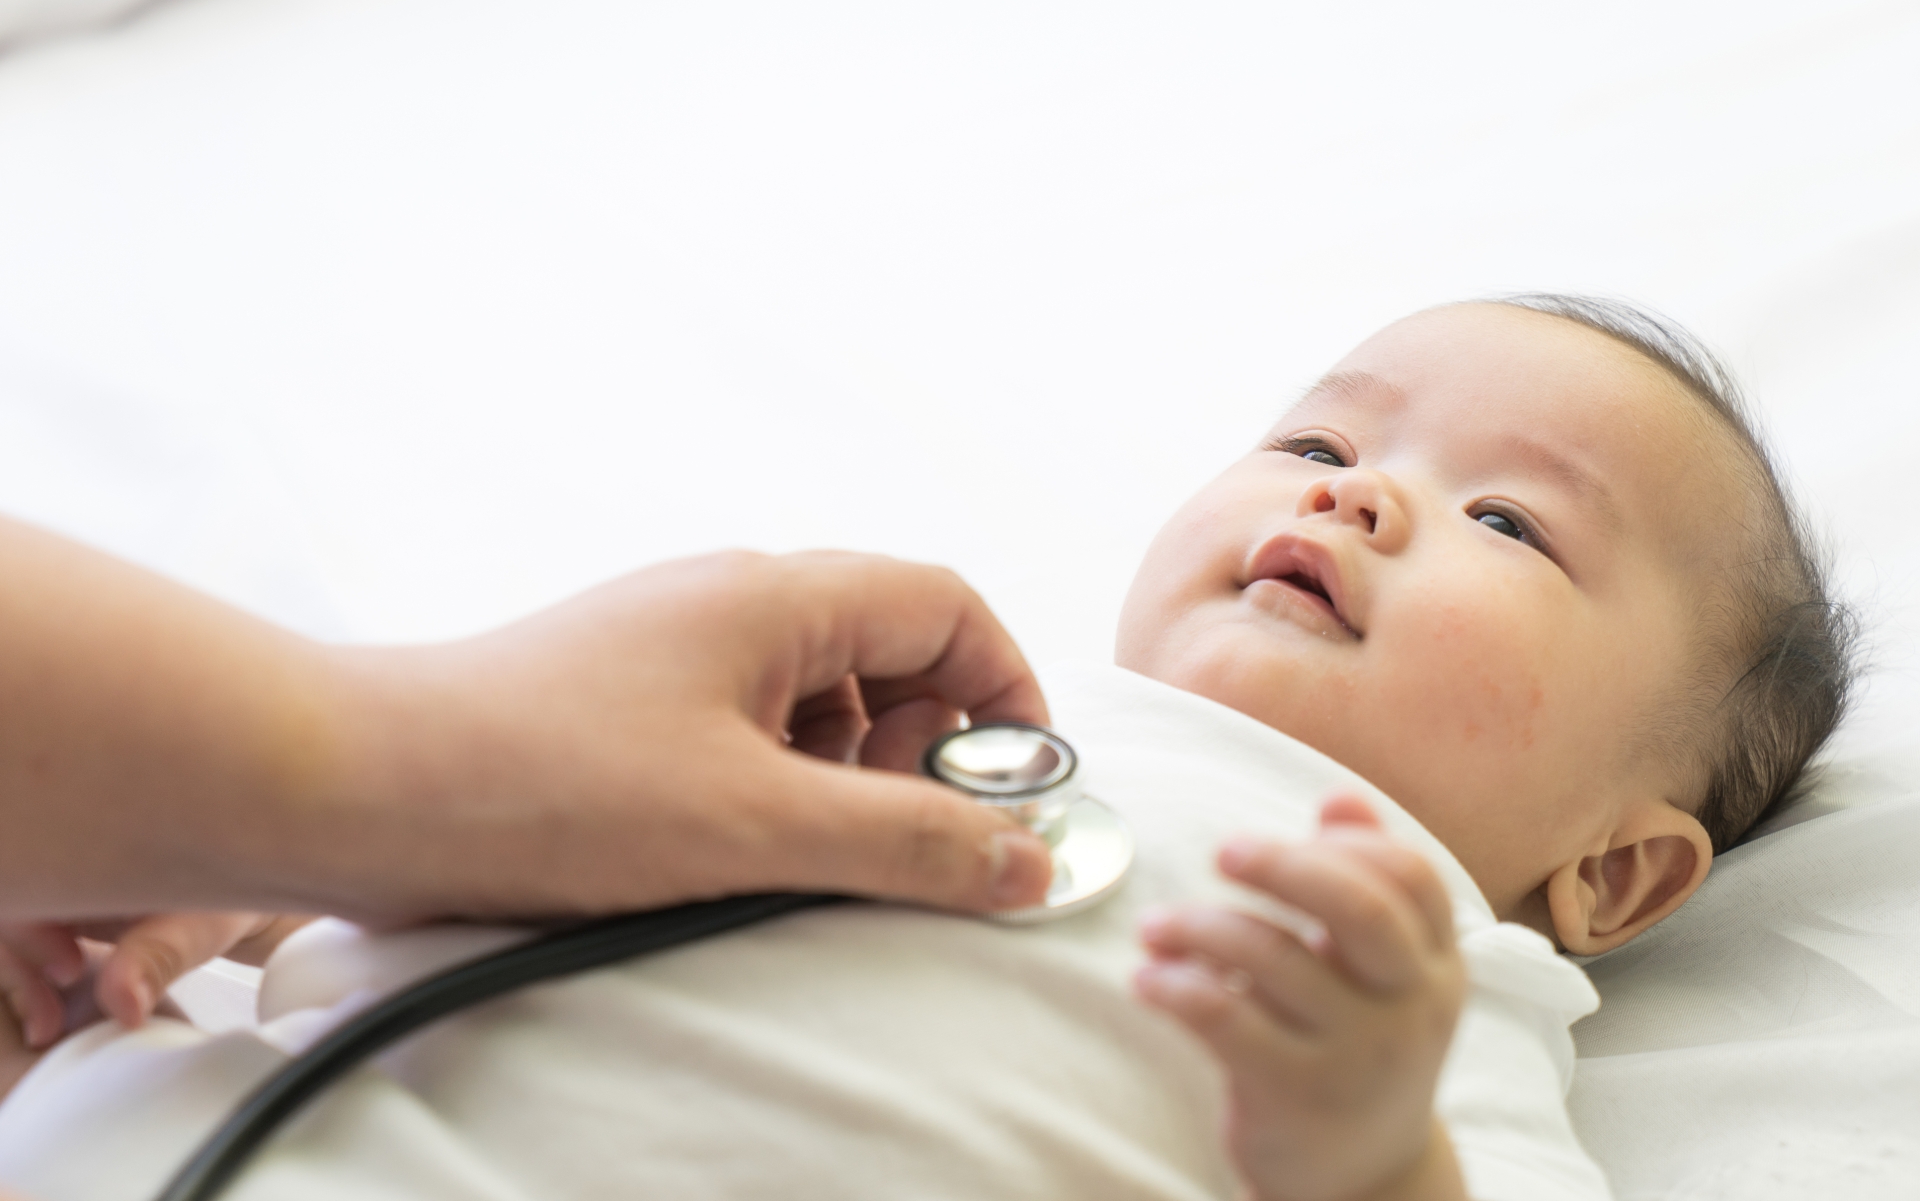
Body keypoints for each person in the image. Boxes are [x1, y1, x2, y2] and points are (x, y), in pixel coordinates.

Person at [0, 297, 1854, 1201]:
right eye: (1319, 443)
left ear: (1618, 868)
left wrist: (1371, 1159)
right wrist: (219, 895)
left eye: (1516, 526)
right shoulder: (888, 717)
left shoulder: (1436, 1000)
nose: (1363, 497)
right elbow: (486, 817)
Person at [0, 535, 1056, 1043]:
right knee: (63, 1042)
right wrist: (278, 879)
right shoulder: (854, 747)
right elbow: (534, 875)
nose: (1237, 530)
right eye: (1235, 456)